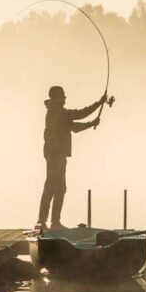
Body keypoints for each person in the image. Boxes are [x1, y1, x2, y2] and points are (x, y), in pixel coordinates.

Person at [37, 86, 108, 230]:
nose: (65, 98)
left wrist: (91, 124)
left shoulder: (59, 113)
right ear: (56, 98)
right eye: (63, 96)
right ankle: (42, 222)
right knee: (51, 186)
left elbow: (73, 127)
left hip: (60, 154)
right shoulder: (57, 111)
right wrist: (99, 103)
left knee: (60, 188)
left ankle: (55, 222)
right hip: (55, 154)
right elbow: (80, 114)